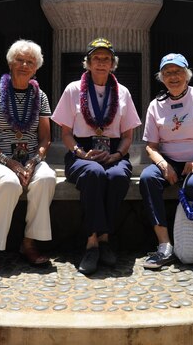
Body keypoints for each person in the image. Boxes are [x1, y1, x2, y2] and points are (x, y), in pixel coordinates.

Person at [51, 38, 141, 275]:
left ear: (113, 64)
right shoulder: (73, 89)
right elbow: (67, 134)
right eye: (96, 58)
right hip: (81, 152)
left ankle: (104, 238)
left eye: (106, 59)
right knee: (94, 173)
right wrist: (80, 153)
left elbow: (128, 136)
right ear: (88, 63)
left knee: (118, 176)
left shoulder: (123, 92)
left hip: (114, 151)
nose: (101, 63)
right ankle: (93, 242)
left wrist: (117, 155)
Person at [139, 53, 193, 269]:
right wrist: (163, 165)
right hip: (170, 160)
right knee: (147, 178)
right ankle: (164, 246)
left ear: (186, 74)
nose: (173, 77)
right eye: (167, 73)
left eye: (177, 71)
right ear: (162, 78)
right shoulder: (156, 105)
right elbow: (151, 146)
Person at [0, 40, 55, 272]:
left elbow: (45, 139)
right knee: (9, 182)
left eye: (30, 62)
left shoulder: (40, 97)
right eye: (19, 60)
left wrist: (33, 161)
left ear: (36, 68)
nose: (24, 65)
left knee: (47, 178)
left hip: (30, 159)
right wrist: (8, 162)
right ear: (11, 62)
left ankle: (29, 244)